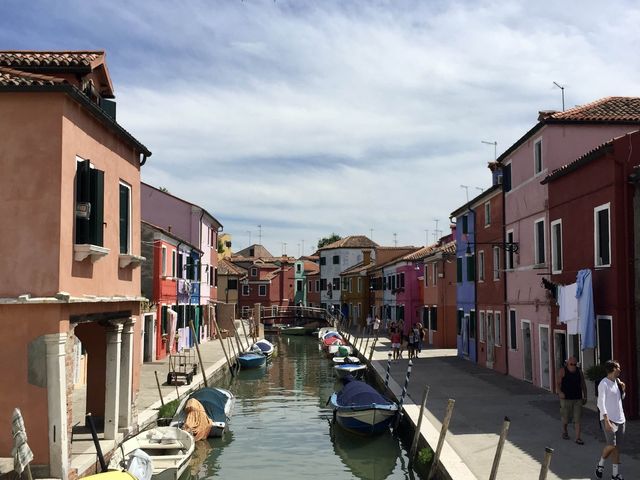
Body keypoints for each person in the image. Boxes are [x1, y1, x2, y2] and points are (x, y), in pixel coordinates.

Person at [595, 360, 626, 480]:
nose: (620, 369)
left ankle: (615, 475)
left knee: (616, 447)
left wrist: (623, 389)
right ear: (612, 369)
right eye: (618, 367)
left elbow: (620, 399)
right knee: (611, 445)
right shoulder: (604, 384)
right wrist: (606, 420)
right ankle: (600, 464)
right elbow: (600, 403)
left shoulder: (617, 382)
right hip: (609, 419)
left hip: (620, 419)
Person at [556, 356, 587, 444]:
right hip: (566, 399)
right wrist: (560, 392)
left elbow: (583, 384)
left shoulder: (579, 372)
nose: (573, 366)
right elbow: (558, 384)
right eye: (571, 364)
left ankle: (578, 438)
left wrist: (585, 396)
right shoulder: (562, 371)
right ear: (567, 364)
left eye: (575, 364)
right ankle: (565, 431)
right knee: (566, 418)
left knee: (577, 419)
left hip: (577, 398)